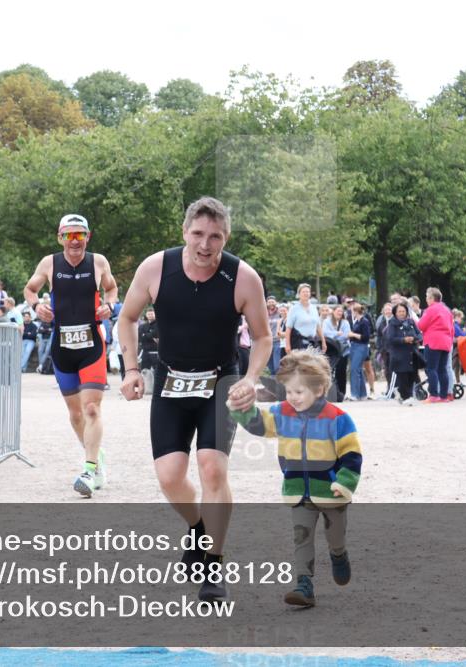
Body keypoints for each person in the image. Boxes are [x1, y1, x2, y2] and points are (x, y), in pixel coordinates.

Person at [116, 196, 271, 603]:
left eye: (215, 237)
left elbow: (263, 337)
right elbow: (126, 317)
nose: (206, 245)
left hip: (220, 384)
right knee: (169, 476)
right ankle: (200, 528)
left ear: (226, 237)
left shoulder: (243, 278)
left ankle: (214, 564)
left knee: (212, 470)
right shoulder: (155, 268)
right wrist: (132, 369)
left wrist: (251, 379)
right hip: (171, 383)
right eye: (198, 234)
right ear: (185, 232)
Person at [228, 350, 362, 608]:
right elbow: (258, 424)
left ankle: (338, 554)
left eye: (298, 392)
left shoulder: (338, 418)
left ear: (320, 389)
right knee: (302, 537)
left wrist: (345, 482)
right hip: (297, 490)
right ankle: (304, 584)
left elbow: (352, 454)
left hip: (331, 492)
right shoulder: (282, 412)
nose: (292, 397)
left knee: (335, 535)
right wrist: (240, 407)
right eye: (288, 391)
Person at [24, 213, 119, 498]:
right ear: (60, 237)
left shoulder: (99, 262)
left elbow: (111, 288)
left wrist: (109, 305)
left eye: (80, 235)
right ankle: (96, 457)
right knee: (76, 414)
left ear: (88, 237)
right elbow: (30, 289)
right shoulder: (49, 263)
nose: (75, 241)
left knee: (91, 409)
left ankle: (89, 470)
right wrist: (36, 306)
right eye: (69, 235)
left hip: (92, 345)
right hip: (62, 347)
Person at [416, 287, 454, 403]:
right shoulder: (447, 310)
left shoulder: (431, 309)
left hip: (433, 341)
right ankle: (444, 396)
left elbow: (421, 325)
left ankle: (433, 394)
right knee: (442, 369)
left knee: (431, 368)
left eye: (427, 297)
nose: (426, 300)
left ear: (432, 298)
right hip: (446, 341)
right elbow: (452, 328)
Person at [384, 302, 421, 405]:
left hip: (411, 354)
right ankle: (405, 396)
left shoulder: (411, 322)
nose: (401, 313)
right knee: (402, 376)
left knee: (412, 375)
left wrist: (414, 339)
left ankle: (408, 395)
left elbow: (419, 334)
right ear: (395, 313)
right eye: (399, 311)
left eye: (403, 311)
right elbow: (390, 339)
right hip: (399, 355)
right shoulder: (392, 323)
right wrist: (403, 340)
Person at [284, 283, 326, 354]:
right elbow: (288, 328)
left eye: (307, 292)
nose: (306, 294)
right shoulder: (294, 309)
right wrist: (287, 345)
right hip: (298, 343)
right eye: (303, 292)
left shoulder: (314, 308)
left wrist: (323, 341)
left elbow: (318, 326)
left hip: (312, 342)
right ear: (299, 294)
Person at [322, 304, 351, 401]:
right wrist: (336, 334)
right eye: (338, 311)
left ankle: (342, 393)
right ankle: (332, 393)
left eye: (341, 311)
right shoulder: (327, 322)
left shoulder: (345, 323)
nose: (339, 313)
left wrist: (334, 336)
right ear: (333, 312)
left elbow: (346, 335)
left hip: (343, 350)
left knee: (341, 372)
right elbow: (325, 333)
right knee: (330, 371)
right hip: (331, 350)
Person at [347, 303, 373, 400]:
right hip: (355, 346)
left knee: (354, 369)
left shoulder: (364, 321)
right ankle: (362, 394)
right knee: (358, 370)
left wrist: (353, 335)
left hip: (361, 347)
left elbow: (366, 337)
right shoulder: (357, 322)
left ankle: (355, 394)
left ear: (355, 311)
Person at [266, 297, 282, 374]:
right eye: (269, 302)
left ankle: (278, 384)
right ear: (266, 304)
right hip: (267, 343)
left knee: (277, 366)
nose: (271, 304)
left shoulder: (280, 313)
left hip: (277, 341)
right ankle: (273, 384)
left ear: (276, 302)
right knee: (269, 365)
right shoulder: (264, 314)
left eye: (273, 302)